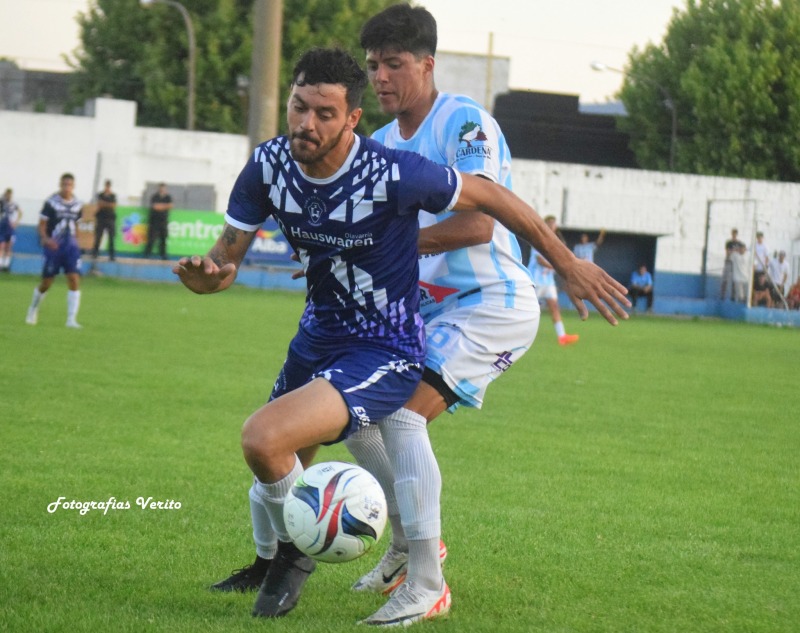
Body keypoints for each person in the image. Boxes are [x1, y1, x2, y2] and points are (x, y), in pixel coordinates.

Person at [176, 47, 628, 625]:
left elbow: (490, 201)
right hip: (317, 335)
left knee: (265, 439)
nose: (306, 124)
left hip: (383, 346)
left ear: (351, 119)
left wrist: (565, 263)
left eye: (323, 113)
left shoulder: (391, 170)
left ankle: (311, 559)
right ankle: (271, 561)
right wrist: (206, 279)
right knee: (279, 458)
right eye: (298, 107)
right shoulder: (268, 165)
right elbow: (225, 261)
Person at [25, 173, 85, 328]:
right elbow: (42, 224)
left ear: (73, 186)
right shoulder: (51, 203)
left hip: (70, 246)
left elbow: (77, 224)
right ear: (60, 185)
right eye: (64, 184)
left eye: (69, 185)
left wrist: (77, 242)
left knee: (74, 279)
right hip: (54, 246)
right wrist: (45, 239)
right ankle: (33, 309)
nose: (67, 188)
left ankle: (71, 319)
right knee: (47, 282)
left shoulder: (78, 204)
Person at [526, 215, 580, 345]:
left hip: (548, 281)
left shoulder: (555, 242)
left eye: (553, 223)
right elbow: (539, 260)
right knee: (528, 309)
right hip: (536, 280)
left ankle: (562, 336)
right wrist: (556, 265)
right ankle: (518, 335)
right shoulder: (538, 239)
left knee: (555, 307)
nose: (551, 225)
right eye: (549, 223)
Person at [144, 182, 172, 259]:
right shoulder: (154, 197)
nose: (162, 189)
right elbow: (155, 207)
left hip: (163, 221)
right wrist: (164, 206)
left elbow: (170, 206)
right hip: (154, 221)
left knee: (163, 239)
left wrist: (161, 206)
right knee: (151, 238)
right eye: (161, 188)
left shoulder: (168, 197)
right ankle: (147, 254)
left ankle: (163, 255)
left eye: (163, 188)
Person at [92, 179, 117, 261]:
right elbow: (99, 204)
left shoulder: (113, 195)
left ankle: (111, 255)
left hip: (110, 219)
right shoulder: (101, 195)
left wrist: (105, 204)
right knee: (98, 237)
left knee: (111, 238)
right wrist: (107, 204)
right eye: (106, 185)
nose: (107, 187)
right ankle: (95, 254)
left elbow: (113, 205)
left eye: (108, 186)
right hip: (101, 218)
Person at [0, 188, 22, 272]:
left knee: (9, 247)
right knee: (1, 246)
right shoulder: (2, 203)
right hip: (2, 226)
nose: (8, 196)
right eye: (6, 194)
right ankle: (1, 265)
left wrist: (16, 222)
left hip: (10, 227)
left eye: (9, 194)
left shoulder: (14, 204)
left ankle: (6, 265)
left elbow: (20, 212)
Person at [720, 228, 745, 300]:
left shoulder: (739, 243)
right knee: (725, 279)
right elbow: (728, 252)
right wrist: (735, 250)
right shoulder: (729, 243)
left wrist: (734, 251)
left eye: (735, 234)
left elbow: (741, 252)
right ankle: (723, 295)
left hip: (736, 263)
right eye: (733, 234)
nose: (734, 235)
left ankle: (733, 296)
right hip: (729, 262)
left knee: (734, 280)